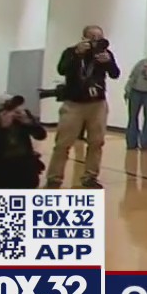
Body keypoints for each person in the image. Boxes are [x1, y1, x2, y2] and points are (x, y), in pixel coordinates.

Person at [45, 25, 120, 189]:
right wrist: (77, 55)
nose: (95, 41)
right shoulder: (71, 52)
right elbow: (62, 69)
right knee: (63, 143)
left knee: (96, 142)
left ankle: (90, 177)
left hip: (97, 104)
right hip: (74, 104)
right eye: (91, 37)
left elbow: (115, 74)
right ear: (83, 38)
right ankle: (54, 178)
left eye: (98, 37)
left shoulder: (105, 54)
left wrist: (108, 63)